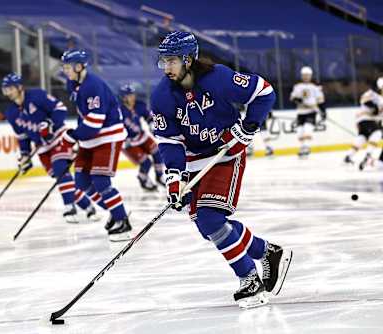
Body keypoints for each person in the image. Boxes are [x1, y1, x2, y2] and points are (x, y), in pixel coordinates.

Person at [151, 31, 292, 308]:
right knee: (208, 226)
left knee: (211, 218)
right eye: (163, 61)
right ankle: (267, 252)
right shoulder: (161, 95)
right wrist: (174, 178)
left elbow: (264, 92)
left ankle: (249, 279)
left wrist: (249, 126)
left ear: (188, 59)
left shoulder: (219, 78)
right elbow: (169, 141)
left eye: (172, 61)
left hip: (225, 154)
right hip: (193, 161)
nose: (166, 68)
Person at [2, 73, 98, 223]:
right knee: (61, 179)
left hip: (59, 137)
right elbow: (22, 137)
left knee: (61, 170)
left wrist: (50, 124)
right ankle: (88, 207)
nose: (8, 92)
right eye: (5, 90)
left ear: (19, 87)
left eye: (10, 89)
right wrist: (25, 155)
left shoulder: (37, 95)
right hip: (42, 148)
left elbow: (60, 108)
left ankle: (69, 206)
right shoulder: (11, 113)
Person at [60, 49, 132, 242]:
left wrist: (73, 135)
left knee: (100, 181)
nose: (65, 71)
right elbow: (84, 117)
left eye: (68, 67)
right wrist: (76, 135)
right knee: (82, 182)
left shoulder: (93, 85)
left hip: (108, 136)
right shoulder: (73, 83)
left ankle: (122, 220)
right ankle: (114, 211)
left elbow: (95, 121)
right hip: (90, 139)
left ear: (79, 66)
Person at [119, 83, 165, 191]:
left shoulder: (139, 105)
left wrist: (152, 125)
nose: (132, 97)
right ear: (123, 97)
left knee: (157, 152)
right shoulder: (118, 111)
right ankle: (143, 178)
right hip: (128, 142)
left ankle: (159, 176)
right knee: (146, 162)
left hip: (141, 135)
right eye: (129, 95)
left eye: (133, 94)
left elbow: (149, 117)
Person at [344, 77, 383, 170]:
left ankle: (349, 156)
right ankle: (368, 155)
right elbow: (365, 101)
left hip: (369, 121)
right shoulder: (372, 94)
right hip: (365, 119)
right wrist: (375, 108)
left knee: (363, 137)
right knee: (377, 133)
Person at [290, 66, 326, 157]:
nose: (306, 77)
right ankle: (303, 147)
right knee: (300, 131)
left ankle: (306, 147)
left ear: (310, 76)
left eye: (307, 75)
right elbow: (293, 98)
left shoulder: (315, 87)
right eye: (304, 75)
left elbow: (320, 100)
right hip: (300, 112)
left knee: (307, 128)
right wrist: (299, 100)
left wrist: (323, 111)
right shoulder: (297, 86)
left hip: (311, 111)